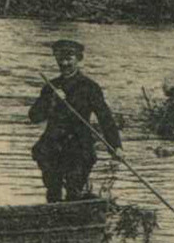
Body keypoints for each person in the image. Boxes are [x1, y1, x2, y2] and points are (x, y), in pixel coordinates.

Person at [28, 38, 120, 203]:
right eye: (60, 58)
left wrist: (116, 146)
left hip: (79, 146)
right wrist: (51, 100)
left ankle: (75, 220)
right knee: (53, 190)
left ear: (78, 59)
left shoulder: (89, 87)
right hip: (52, 146)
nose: (64, 63)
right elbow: (34, 117)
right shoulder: (50, 87)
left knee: (74, 189)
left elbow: (105, 117)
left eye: (69, 58)